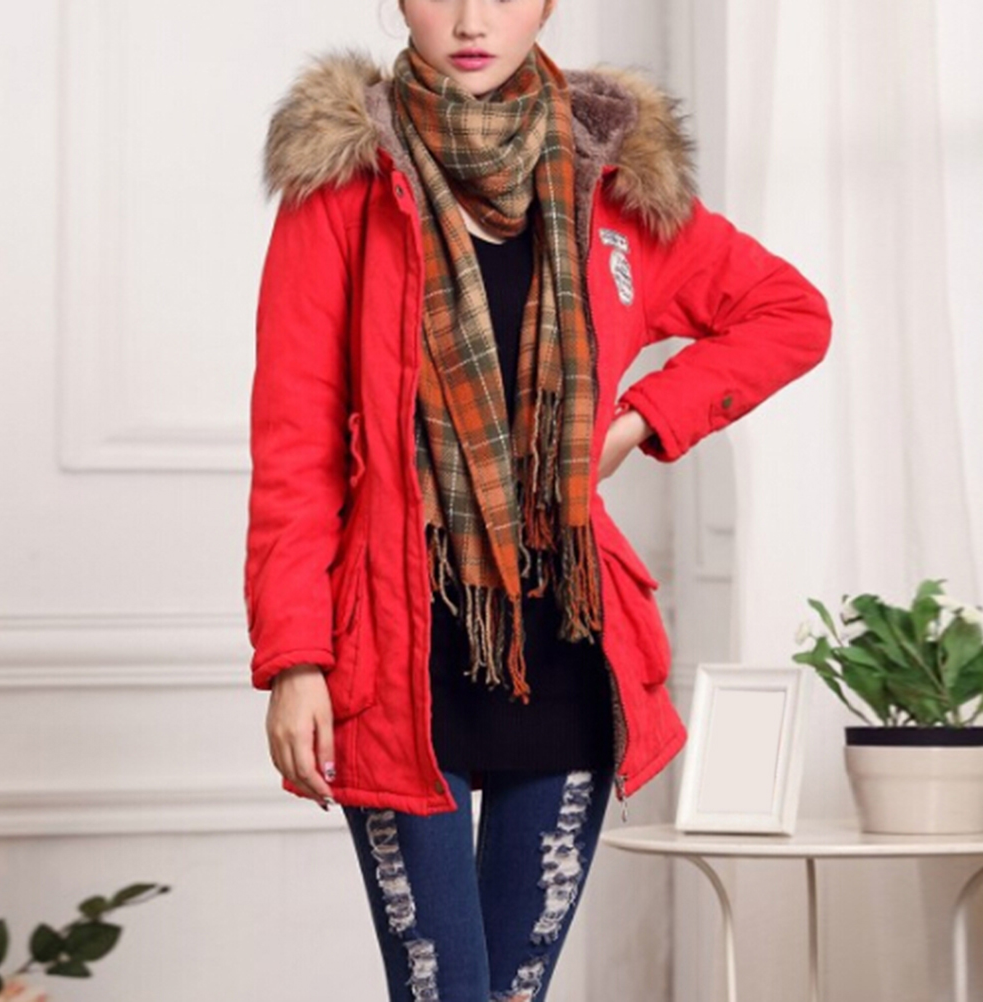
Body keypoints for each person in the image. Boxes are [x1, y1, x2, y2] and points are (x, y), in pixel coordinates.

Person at [244, 0, 832, 998]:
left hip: (568, 644)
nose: (473, 19)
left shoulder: (615, 182)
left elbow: (789, 313)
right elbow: (294, 446)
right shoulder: (342, 184)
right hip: (397, 656)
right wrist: (295, 660)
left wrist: (637, 422)